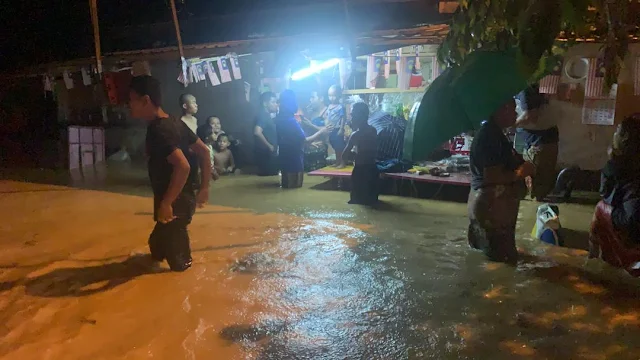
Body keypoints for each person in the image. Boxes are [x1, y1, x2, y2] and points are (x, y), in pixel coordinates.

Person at [130, 76, 211, 272]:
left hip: (175, 202)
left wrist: (167, 203)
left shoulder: (159, 130)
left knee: (180, 265)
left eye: (131, 100)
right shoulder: (175, 122)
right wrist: (204, 188)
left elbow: (183, 166)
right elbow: (205, 151)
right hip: (180, 197)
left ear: (145, 100)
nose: (128, 105)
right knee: (156, 249)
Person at [468, 99, 536, 265]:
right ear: (500, 110)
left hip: (492, 208)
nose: (516, 114)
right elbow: (492, 176)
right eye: (512, 109)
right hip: (493, 209)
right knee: (501, 264)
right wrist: (520, 173)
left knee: (493, 260)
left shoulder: (495, 134)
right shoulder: (490, 137)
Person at [275, 89, 329, 188]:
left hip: (284, 157)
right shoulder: (291, 121)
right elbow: (304, 140)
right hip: (294, 159)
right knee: (294, 189)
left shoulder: (279, 118)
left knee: (286, 187)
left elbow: (292, 139)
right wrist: (321, 131)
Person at [599, 115, 640, 244]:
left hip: (632, 232)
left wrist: (612, 161)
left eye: (617, 130)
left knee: (599, 209)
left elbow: (605, 194)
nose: (614, 134)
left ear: (625, 139)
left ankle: (597, 257)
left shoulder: (618, 167)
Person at [515, 84, 560, 201]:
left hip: (539, 142)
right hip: (540, 140)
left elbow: (530, 116)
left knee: (537, 192)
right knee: (538, 190)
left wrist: (510, 125)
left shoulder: (525, 88)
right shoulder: (531, 85)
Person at [342, 102, 378, 205]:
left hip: (360, 172)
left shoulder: (355, 135)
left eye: (353, 115)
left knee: (357, 203)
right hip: (372, 170)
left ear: (360, 117)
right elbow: (371, 151)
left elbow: (344, 156)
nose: (351, 118)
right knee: (371, 202)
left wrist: (352, 152)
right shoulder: (373, 131)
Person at [253, 92, 279, 176]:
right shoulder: (263, 115)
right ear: (265, 103)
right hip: (266, 155)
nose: (276, 104)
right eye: (273, 102)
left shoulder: (266, 115)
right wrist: (269, 146)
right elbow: (257, 132)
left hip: (267, 154)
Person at [326, 85, 347, 168]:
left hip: (338, 129)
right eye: (329, 96)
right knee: (334, 146)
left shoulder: (340, 107)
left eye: (333, 95)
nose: (331, 98)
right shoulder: (329, 107)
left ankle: (342, 162)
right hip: (331, 129)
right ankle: (337, 161)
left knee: (340, 147)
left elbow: (343, 118)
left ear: (339, 95)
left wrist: (341, 128)